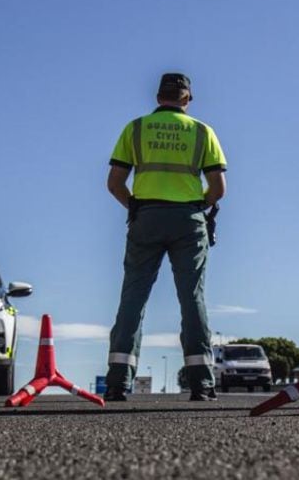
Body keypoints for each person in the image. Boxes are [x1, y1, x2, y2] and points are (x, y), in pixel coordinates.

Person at [104, 72, 227, 402]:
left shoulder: (136, 128)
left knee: (133, 297)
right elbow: (219, 189)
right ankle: (201, 383)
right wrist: (198, 206)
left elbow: (114, 182)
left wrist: (136, 207)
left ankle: (117, 381)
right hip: (188, 219)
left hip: (146, 217)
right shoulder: (203, 132)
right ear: (187, 98)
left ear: (158, 97)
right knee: (192, 298)